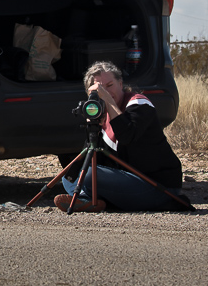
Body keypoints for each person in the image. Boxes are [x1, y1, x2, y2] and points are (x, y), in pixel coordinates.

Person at [54, 60, 185, 212]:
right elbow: (91, 155)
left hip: (157, 186)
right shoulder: (102, 114)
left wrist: (108, 101)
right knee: (70, 175)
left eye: (110, 86)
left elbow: (127, 135)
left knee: (90, 175)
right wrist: (93, 125)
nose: (106, 92)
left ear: (120, 84)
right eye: (99, 89)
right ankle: (89, 200)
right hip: (128, 181)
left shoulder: (139, 105)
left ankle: (89, 199)